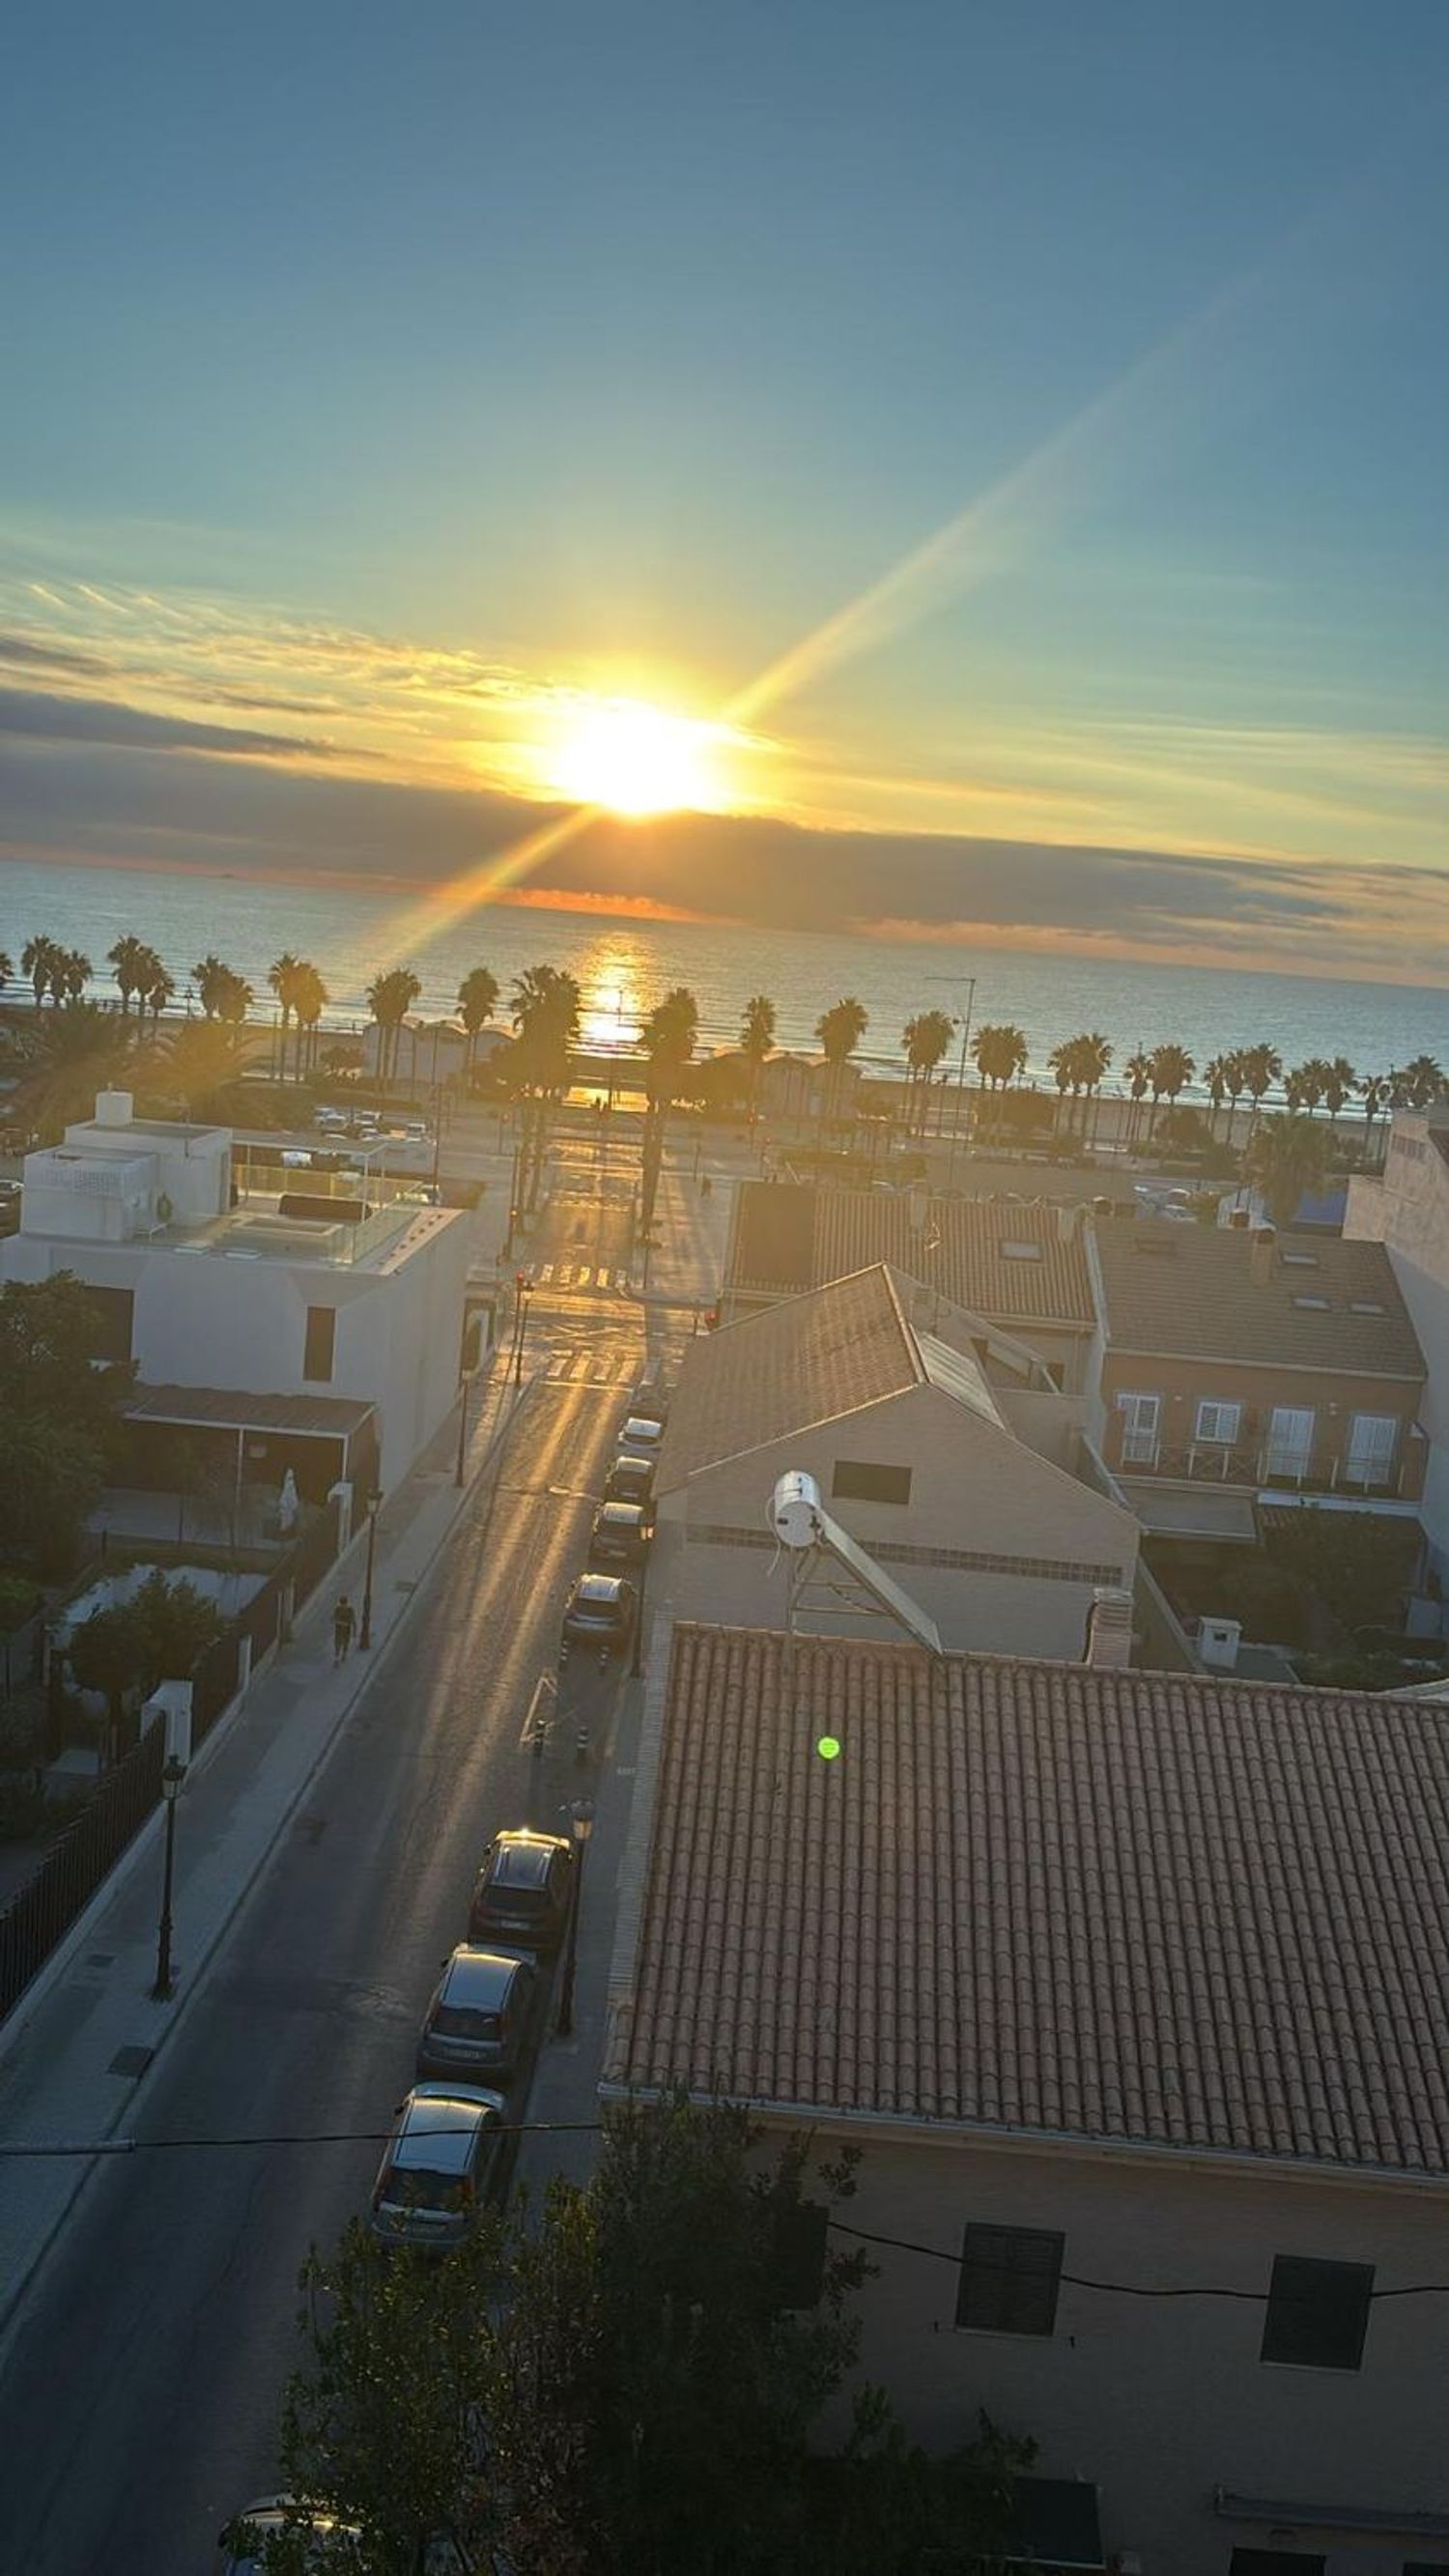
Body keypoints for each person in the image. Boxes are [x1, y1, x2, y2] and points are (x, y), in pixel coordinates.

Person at [332, 1593, 355, 1664]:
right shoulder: (338, 1609)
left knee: (345, 1643)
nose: (343, 1605)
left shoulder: (350, 1610)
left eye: (344, 1603)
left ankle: (343, 1655)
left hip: (346, 1630)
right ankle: (337, 1658)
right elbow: (334, 1618)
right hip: (339, 1630)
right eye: (342, 1603)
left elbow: (352, 1620)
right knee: (338, 1644)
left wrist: (354, 1630)